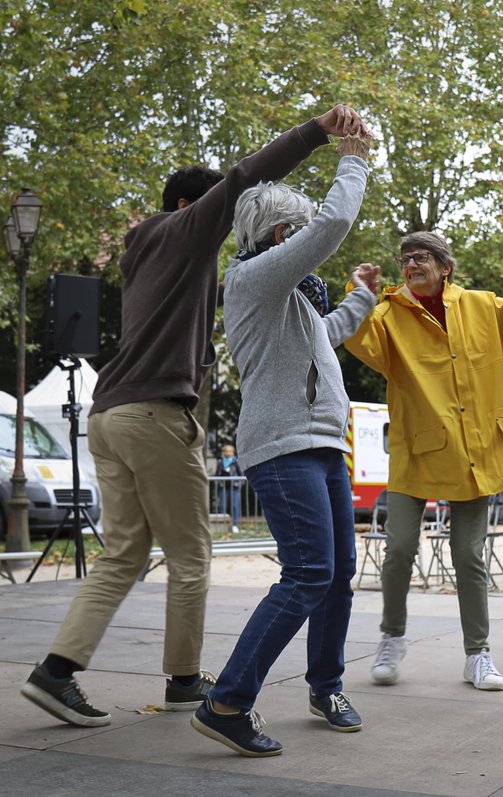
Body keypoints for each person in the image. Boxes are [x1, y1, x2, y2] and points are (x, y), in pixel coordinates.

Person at [20, 106, 364, 729]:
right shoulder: (186, 233)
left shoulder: (148, 255)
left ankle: (56, 673)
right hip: (155, 414)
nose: (224, 228)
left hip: (109, 412)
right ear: (188, 207)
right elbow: (245, 179)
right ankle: (188, 684)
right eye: (215, 215)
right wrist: (317, 134)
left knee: (125, 553)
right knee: (193, 554)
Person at [191, 131, 376, 757]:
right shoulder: (251, 280)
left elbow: (320, 337)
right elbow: (331, 223)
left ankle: (326, 687)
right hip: (283, 447)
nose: (312, 258)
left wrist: (361, 299)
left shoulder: (282, 299)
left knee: (337, 573)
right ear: (280, 239)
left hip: (322, 446)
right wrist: (353, 161)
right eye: (299, 240)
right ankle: (228, 702)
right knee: (307, 574)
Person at [344, 231, 503, 691]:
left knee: (468, 556)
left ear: (444, 267)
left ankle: (478, 655)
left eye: (421, 258)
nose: (411, 265)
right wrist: (360, 296)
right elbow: (361, 344)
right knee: (397, 549)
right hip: (417, 452)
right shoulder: (388, 315)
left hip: (475, 452)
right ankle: (391, 638)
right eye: (405, 260)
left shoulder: (482, 307)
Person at [214, 444, 244, 533]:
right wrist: (219, 483)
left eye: (229, 451)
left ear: (233, 452)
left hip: (234, 487)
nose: (228, 453)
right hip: (223, 487)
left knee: (235, 506)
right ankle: (222, 525)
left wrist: (238, 484)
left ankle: (235, 525)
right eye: (226, 451)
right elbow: (217, 474)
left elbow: (241, 475)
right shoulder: (220, 462)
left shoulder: (236, 462)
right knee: (222, 506)